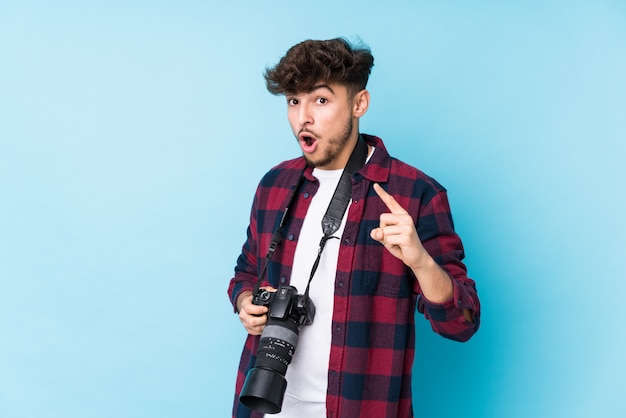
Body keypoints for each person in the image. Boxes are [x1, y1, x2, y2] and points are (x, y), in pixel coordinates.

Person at [227, 37, 480, 418]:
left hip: (362, 407)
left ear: (359, 103)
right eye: (294, 101)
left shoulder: (415, 194)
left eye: (321, 100)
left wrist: (421, 262)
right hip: (264, 404)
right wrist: (246, 302)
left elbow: (462, 323)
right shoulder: (274, 185)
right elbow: (246, 271)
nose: (303, 118)